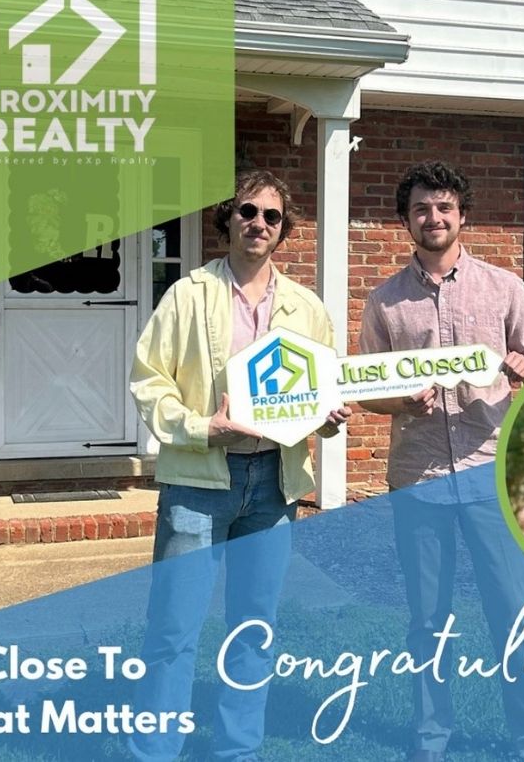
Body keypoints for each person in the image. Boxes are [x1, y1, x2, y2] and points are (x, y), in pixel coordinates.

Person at [128, 169, 351, 761]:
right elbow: (150, 383)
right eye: (247, 212)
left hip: (273, 486)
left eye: (271, 217)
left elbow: (319, 394)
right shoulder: (188, 294)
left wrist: (324, 420)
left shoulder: (307, 308)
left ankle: (238, 750)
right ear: (227, 219)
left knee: (253, 629)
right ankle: (155, 750)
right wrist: (205, 428)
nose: (258, 224)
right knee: (174, 629)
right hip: (199, 483)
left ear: (284, 231)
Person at [359, 161, 524, 762]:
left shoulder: (503, 287)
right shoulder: (385, 301)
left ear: (461, 216)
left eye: (444, 207)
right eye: (422, 208)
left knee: (512, 612)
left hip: (488, 470)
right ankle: (431, 738)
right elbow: (368, 389)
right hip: (418, 477)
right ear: (405, 221)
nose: (434, 217)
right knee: (427, 619)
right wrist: (401, 399)